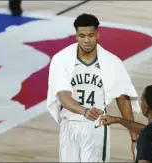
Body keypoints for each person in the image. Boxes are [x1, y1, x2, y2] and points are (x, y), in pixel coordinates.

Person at [47, 13, 140, 162]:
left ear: (97, 34)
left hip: (95, 126)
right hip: (69, 125)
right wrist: (84, 111)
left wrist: (134, 139)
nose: (86, 40)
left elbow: (122, 99)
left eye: (91, 35)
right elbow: (64, 97)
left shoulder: (112, 62)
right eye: (82, 36)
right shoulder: (61, 59)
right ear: (76, 36)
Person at [100, 85, 152, 163]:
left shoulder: (147, 135)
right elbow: (150, 132)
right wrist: (118, 120)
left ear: (145, 106)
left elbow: (148, 134)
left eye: (141, 101)